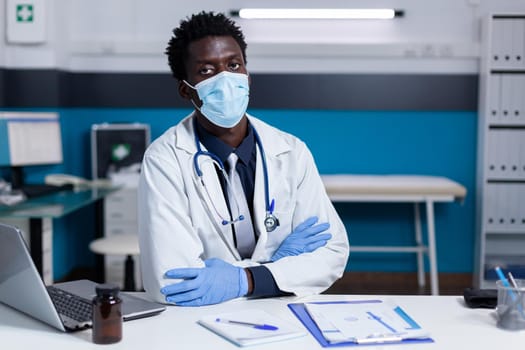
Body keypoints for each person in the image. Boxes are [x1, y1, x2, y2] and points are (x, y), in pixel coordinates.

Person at [138, 11, 349, 306]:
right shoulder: (165, 159)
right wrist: (276, 269)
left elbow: (331, 253)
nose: (225, 78)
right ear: (186, 90)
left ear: (247, 74)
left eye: (234, 65)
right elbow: (173, 281)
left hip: (283, 311)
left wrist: (245, 280)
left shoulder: (291, 151)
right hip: (199, 322)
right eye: (207, 71)